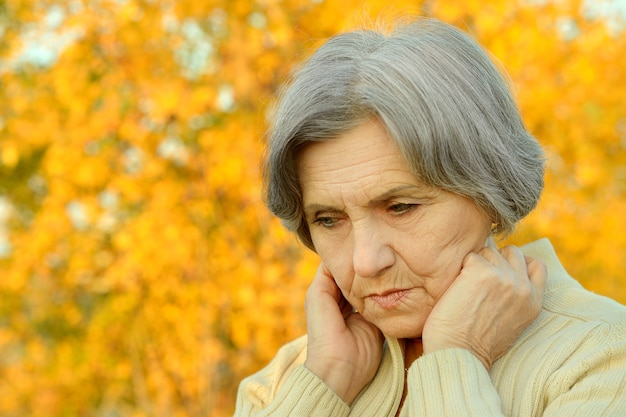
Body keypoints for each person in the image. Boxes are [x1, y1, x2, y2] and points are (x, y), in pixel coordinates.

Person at [234, 17, 626, 416]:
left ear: (490, 191)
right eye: (329, 220)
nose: (365, 262)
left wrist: (456, 358)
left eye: (401, 207)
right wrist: (327, 381)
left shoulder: (602, 360)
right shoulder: (280, 385)